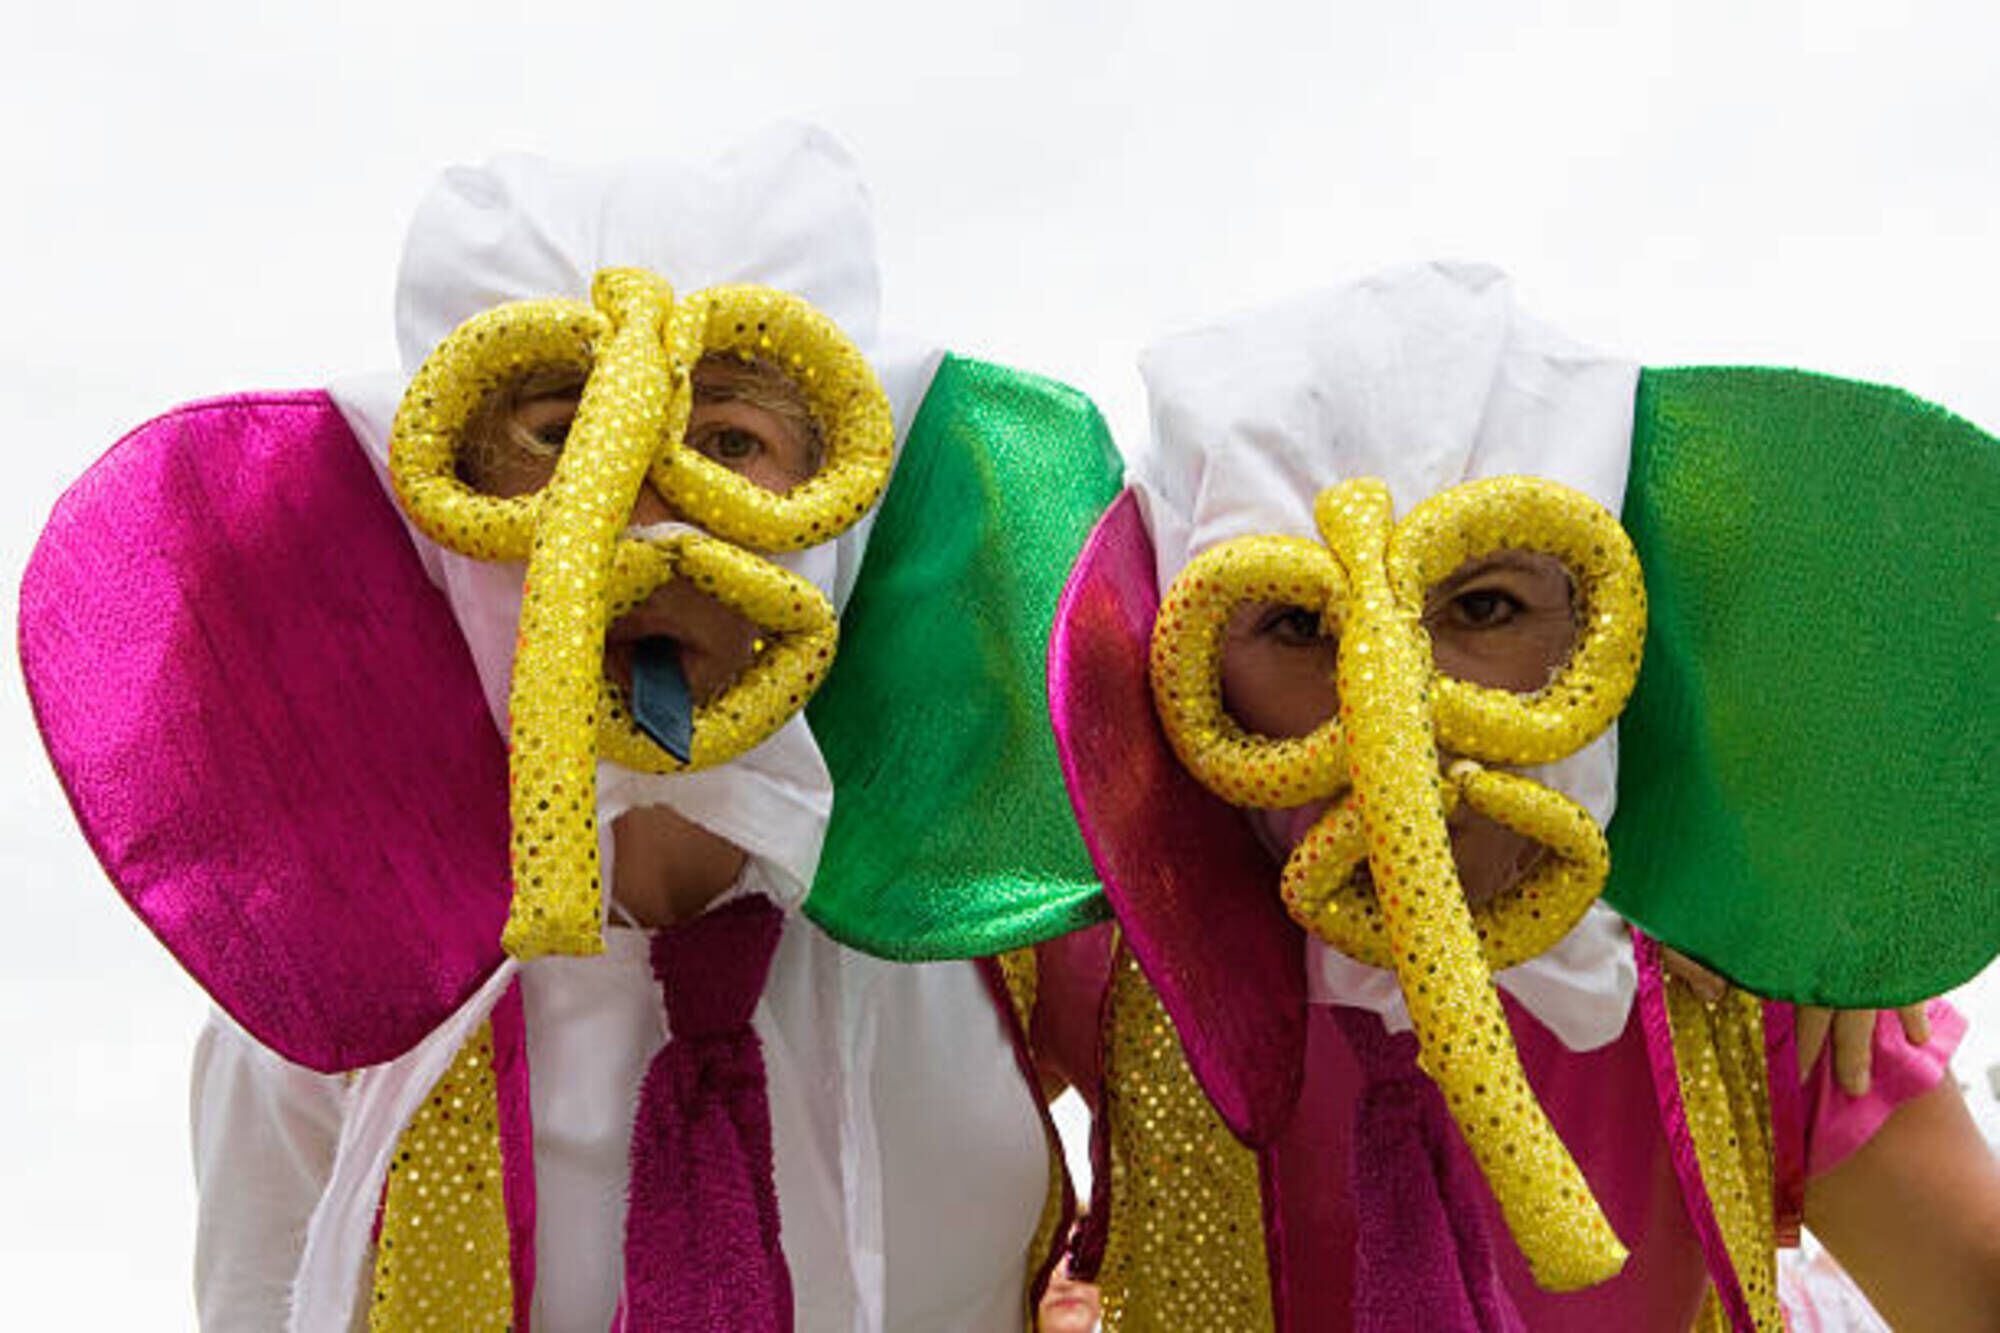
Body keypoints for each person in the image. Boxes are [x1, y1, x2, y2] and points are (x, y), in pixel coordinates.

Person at [21, 125, 1121, 1331]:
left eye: (728, 445)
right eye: (557, 441)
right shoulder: (332, 987)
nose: (642, 531)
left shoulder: (998, 911)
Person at [1044, 262, 2000, 1330]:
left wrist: (1836, 919)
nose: (1391, 711)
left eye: (1486, 606)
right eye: (1300, 627)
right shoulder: (1115, 953)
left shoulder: (1727, 978)